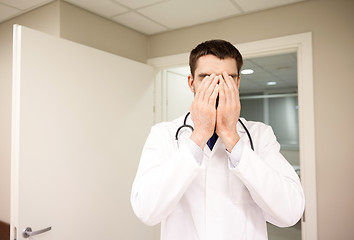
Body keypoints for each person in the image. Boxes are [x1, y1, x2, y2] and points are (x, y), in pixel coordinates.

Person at [131, 39, 305, 240]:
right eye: (206, 77)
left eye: (227, 78)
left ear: (237, 82)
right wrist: (199, 136)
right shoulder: (163, 134)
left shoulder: (260, 134)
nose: (217, 87)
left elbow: (290, 213)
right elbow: (146, 211)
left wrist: (232, 138)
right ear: (191, 82)